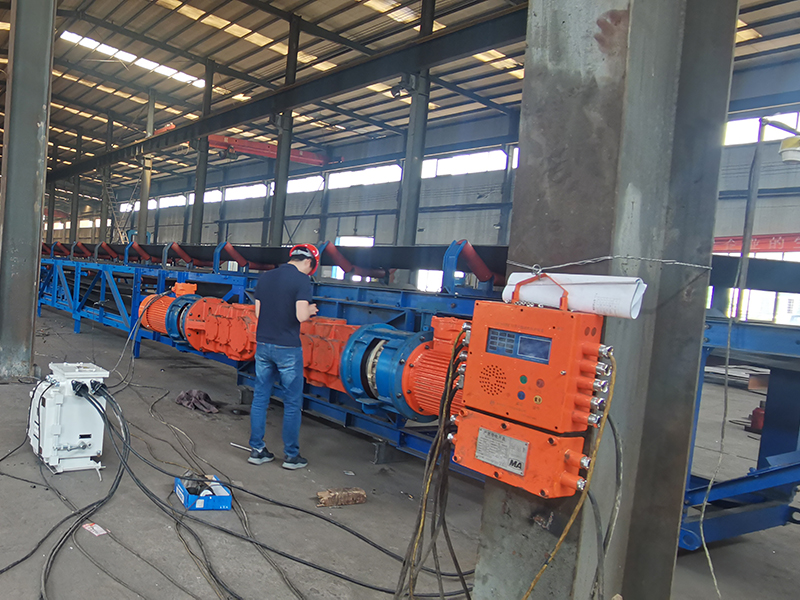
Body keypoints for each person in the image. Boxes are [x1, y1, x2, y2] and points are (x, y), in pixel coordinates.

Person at [248, 244, 319, 469]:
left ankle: (257, 450)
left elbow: (258, 312)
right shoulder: (302, 280)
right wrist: (311, 310)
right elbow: (301, 316)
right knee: (291, 402)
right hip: (287, 348)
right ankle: (291, 456)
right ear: (308, 262)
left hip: (263, 345)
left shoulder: (266, 277)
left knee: (260, 397)